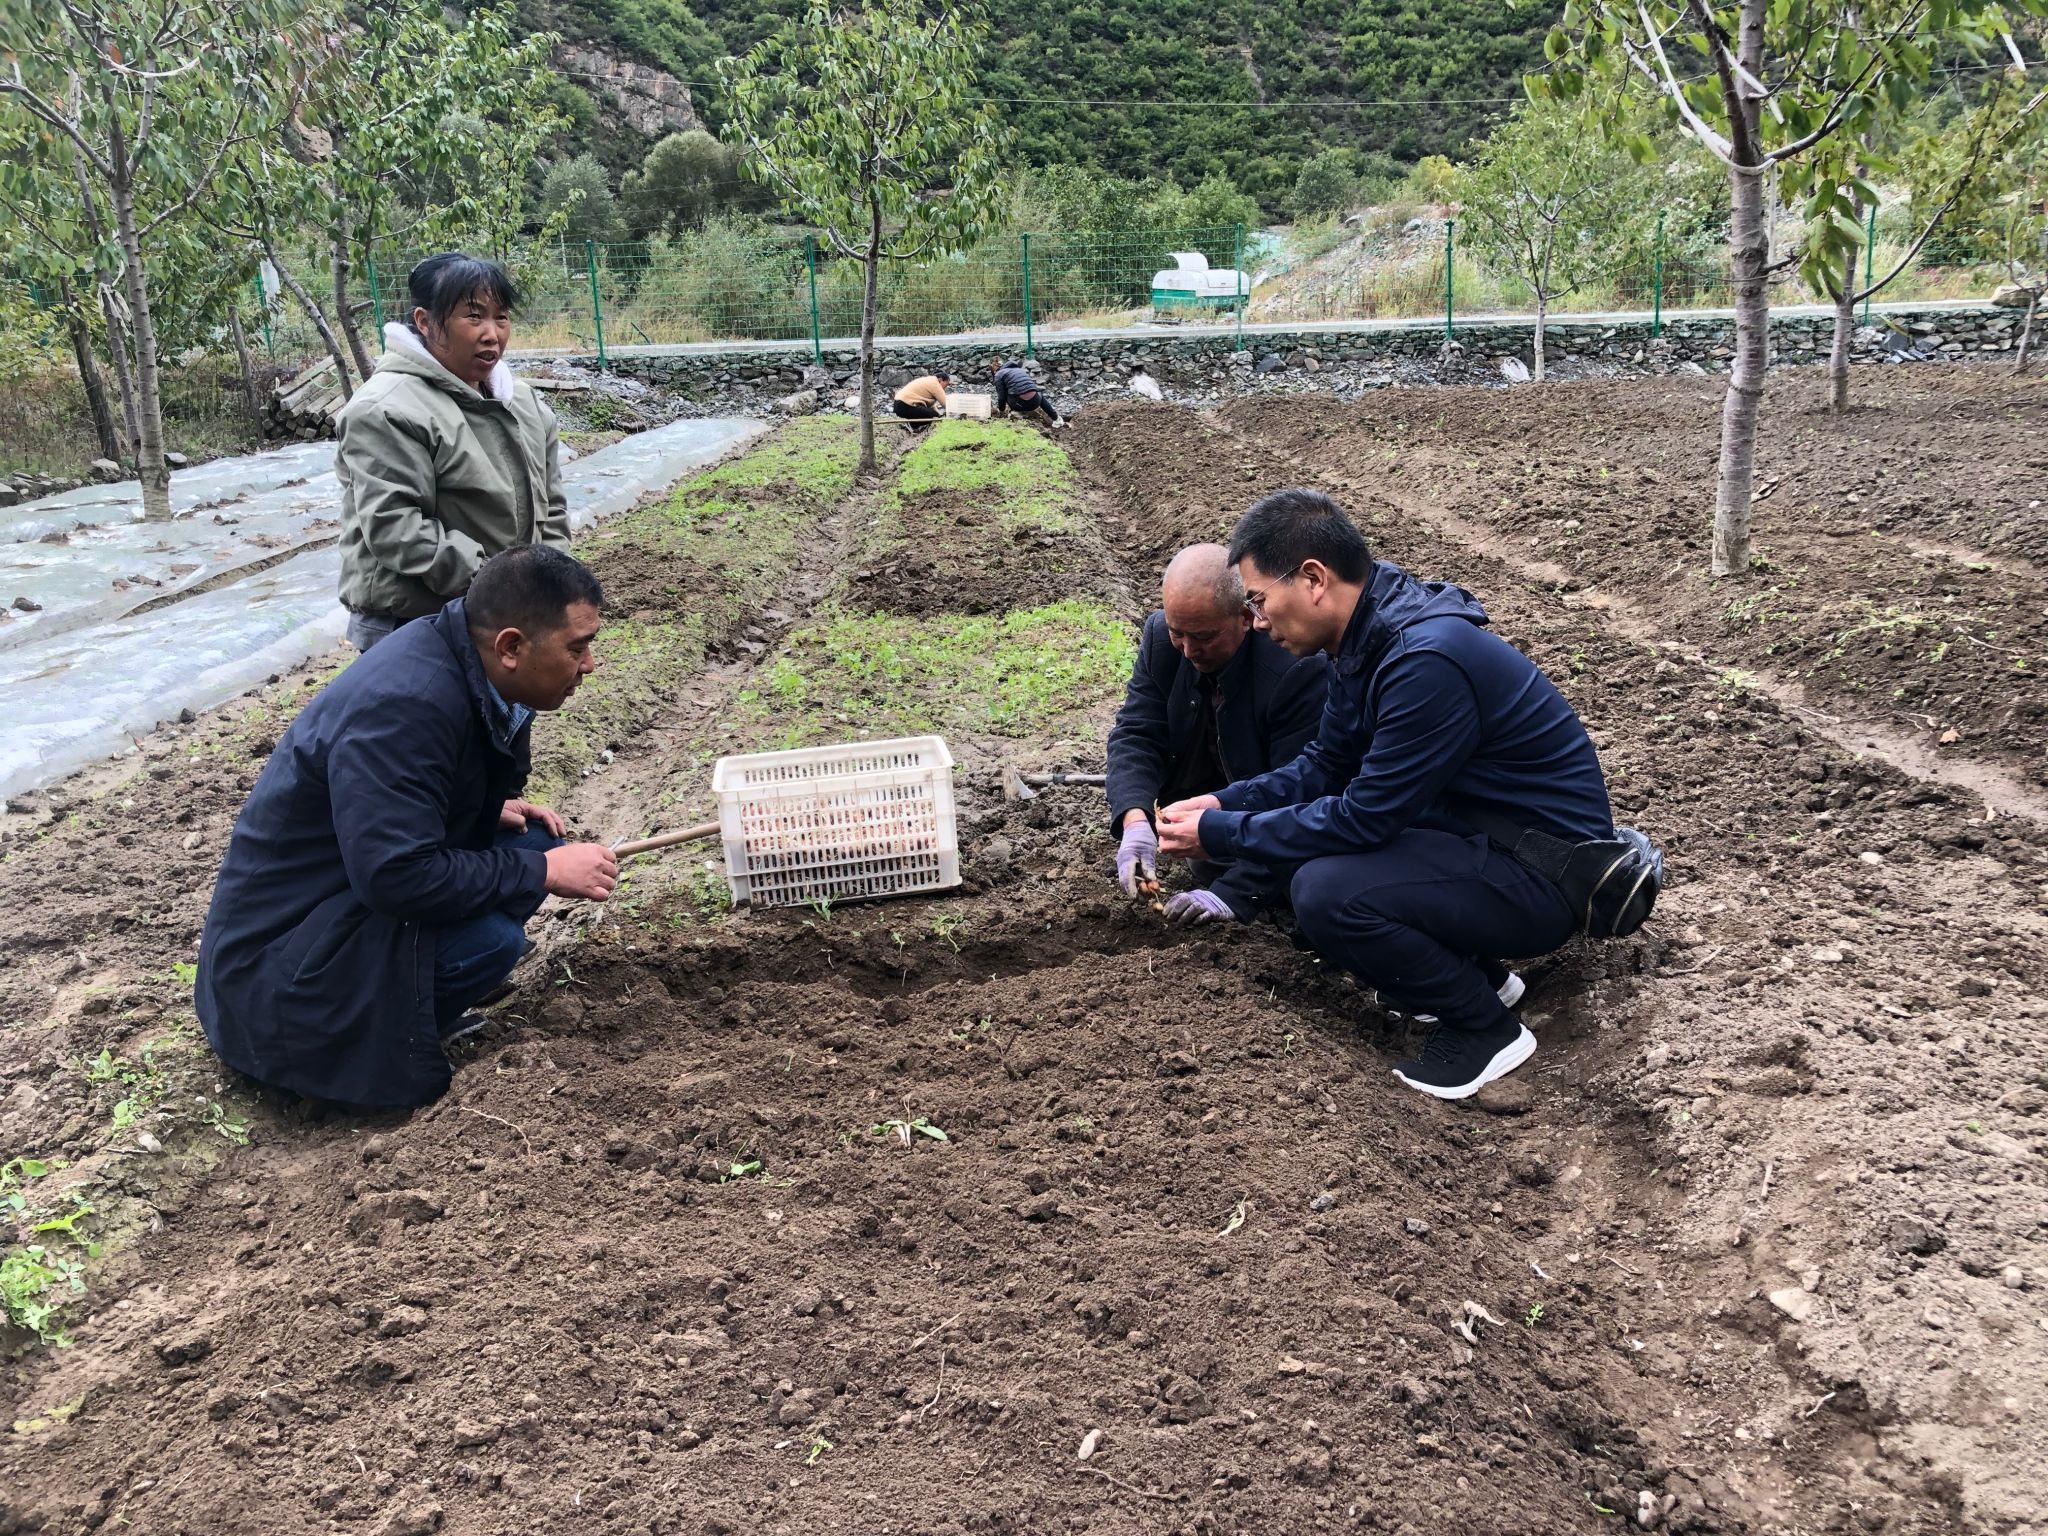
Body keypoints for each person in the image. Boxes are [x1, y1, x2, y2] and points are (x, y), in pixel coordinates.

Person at [1156, 489, 1656, 1101]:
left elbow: (1364, 817)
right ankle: (1480, 980)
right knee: (1314, 865)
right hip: (1488, 843)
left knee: (1325, 891)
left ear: (1313, 579)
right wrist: (1224, 803)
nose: (1257, 621)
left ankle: (1484, 1028)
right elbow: (1325, 765)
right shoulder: (1364, 642)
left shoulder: (1425, 661)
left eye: (1258, 600)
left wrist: (1220, 835)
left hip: (1546, 874)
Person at [196, 546, 619, 1108]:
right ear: (511, 647)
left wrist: (478, 807)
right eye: (577, 647)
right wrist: (542, 872)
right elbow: (397, 875)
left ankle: (413, 992)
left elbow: (387, 804)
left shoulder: (462, 660)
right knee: (492, 942)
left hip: (337, 899)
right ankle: (378, 1034)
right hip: (273, 988)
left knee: (535, 839)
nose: (589, 665)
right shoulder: (406, 706)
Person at [334, 252, 571, 653]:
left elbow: (553, 509)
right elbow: (396, 528)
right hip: (415, 623)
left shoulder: (524, 404)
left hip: (505, 611)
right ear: (425, 322)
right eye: (473, 317)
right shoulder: (386, 409)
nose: (492, 333)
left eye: (501, 317)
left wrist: (545, 581)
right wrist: (500, 584)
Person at [1107, 544, 1329, 923]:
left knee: (1309, 889)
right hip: (1214, 808)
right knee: (1207, 861)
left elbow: (1300, 795)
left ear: (1246, 616)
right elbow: (1137, 734)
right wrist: (1135, 819)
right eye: (1178, 633)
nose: (1188, 650)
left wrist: (1232, 895)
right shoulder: (1161, 641)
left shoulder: (1295, 668)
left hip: (1266, 815)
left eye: (1204, 637)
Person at [991, 358, 1063, 426]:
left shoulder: (999, 374)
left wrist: (1001, 411)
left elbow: (1001, 397)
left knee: (1006, 391)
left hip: (1018, 404)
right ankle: (1056, 418)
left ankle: (1013, 414)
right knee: (1037, 393)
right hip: (1036, 402)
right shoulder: (1020, 370)